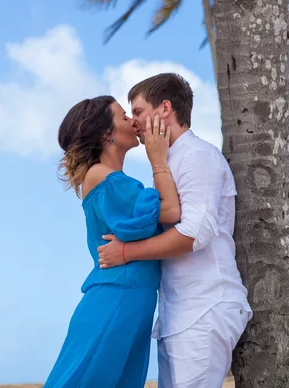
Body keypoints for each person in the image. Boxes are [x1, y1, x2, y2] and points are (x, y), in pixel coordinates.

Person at [97, 73, 253, 388]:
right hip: (179, 313)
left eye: (138, 112)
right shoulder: (169, 161)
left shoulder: (197, 155)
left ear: (165, 108)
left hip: (204, 308)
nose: (134, 122)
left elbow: (196, 232)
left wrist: (126, 252)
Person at [44, 95, 181, 387]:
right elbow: (171, 211)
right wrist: (158, 159)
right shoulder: (105, 178)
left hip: (132, 299)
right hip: (117, 299)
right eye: (123, 117)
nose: (133, 121)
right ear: (107, 134)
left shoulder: (112, 179)